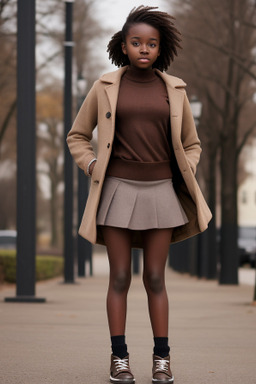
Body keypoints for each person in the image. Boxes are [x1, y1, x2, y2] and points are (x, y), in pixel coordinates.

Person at [67, 5, 212, 384]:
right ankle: (119, 359)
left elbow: (193, 144)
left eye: (151, 43)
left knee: (155, 278)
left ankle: (161, 359)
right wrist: (92, 165)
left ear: (161, 48)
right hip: (116, 190)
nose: (143, 49)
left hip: (161, 191)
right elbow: (77, 136)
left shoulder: (175, 89)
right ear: (124, 45)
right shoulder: (105, 86)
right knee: (118, 277)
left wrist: (188, 167)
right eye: (136, 43)